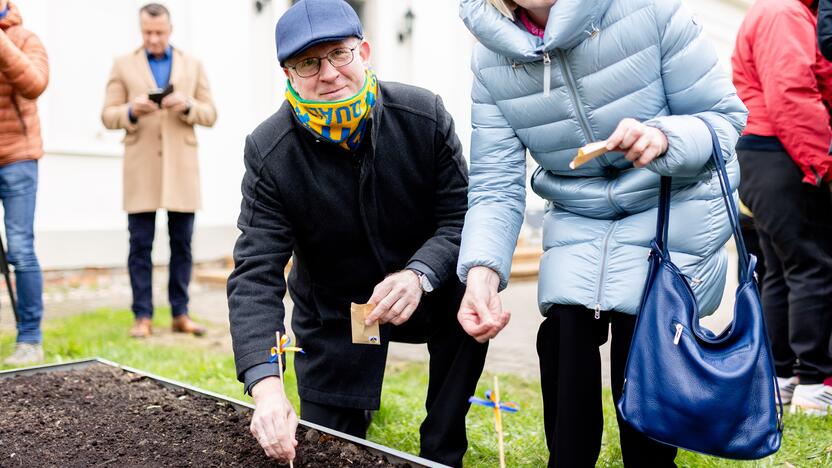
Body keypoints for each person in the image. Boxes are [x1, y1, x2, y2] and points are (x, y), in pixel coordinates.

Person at [456, 0, 747, 466]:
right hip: (580, 210)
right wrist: (482, 273)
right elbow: (495, 184)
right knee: (565, 333)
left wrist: (666, 137)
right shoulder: (492, 56)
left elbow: (723, 120)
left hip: (670, 200)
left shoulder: (650, 11)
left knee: (644, 338)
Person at [226, 1, 488, 465]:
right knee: (332, 448)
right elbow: (255, 273)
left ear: (364, 51)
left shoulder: (423, 115)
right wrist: (265, 386)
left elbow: (459, 217)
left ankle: (442, 446)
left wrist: (418, 274)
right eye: (308, 62)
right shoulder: (270, 151)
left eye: (339, 54)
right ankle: (354, 406)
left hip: (424, 290)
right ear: (288, 75)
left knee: (470, 289)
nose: (328, 73)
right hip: (335, 311)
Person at [733, 0, 832, 414]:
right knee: (811, 267)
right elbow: (790, 93)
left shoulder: (774, 9)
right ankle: (813, 383)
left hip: (763, 149)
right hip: (782, 149)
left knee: (780, 270)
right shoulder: (784, 13)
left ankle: (782, 379)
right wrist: (821, 162)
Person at [101, 3, 216, 338]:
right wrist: (131, 111)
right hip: (141, 168)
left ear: (170, 29)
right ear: (141, 30)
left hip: (181, 168)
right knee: (140, 245)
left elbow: (211, 113)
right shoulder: (122, 65)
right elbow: (107, 115)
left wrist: (188, 105)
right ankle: (142, 316)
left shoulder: (193, 65)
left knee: (182, 243)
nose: (153, 38)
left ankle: (181, 313)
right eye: (147, 32)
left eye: (159, 32)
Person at [0, 0, 48, 366]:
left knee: (19, 248)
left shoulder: (25, 38)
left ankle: (30, 338)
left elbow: (35, 84)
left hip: (18, 158)